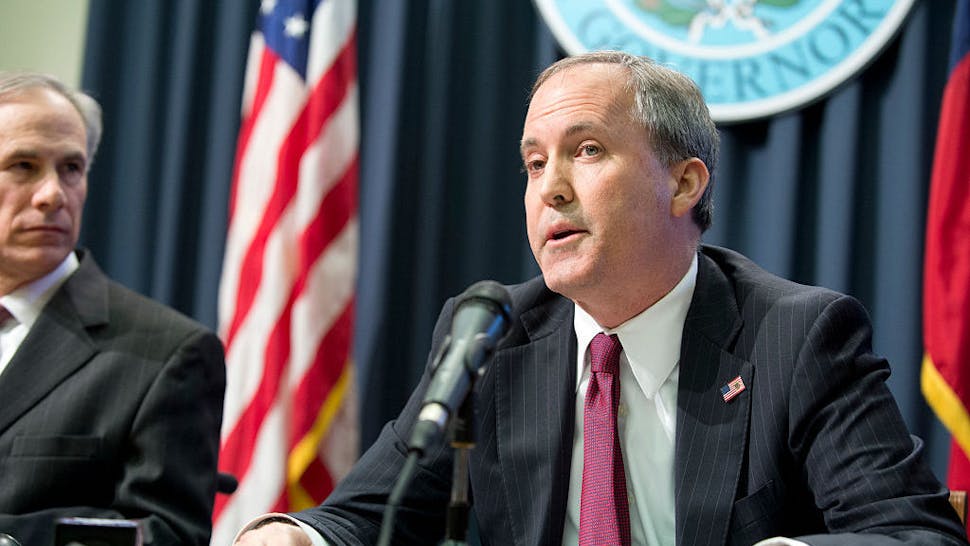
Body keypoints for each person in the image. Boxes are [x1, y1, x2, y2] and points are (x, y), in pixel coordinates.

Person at [235, 51, 968, 545]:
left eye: (587, 151)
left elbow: (912, 531)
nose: (550, 187)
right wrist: (286, 535)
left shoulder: (797, 337)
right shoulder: (493, 337)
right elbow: (361, 518)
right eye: (533, 162)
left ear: (684, 184)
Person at [0, 72, 226, 545]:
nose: (52, 195)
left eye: (71, 169)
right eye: (23, 165)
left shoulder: (170, 352)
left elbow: (168, 536)